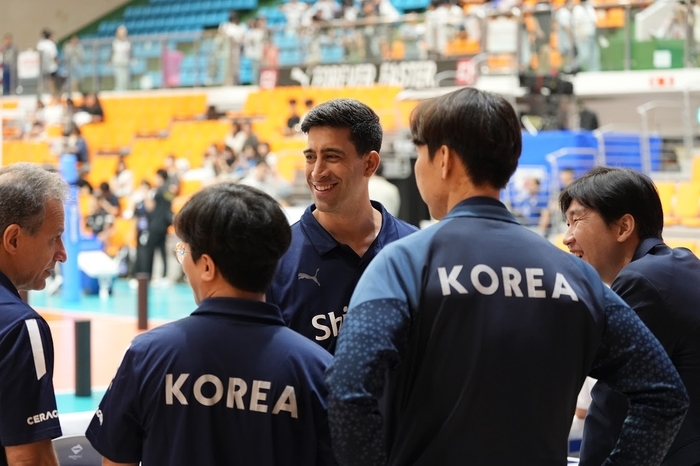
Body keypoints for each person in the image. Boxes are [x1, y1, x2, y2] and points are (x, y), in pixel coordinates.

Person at [325, 88, 689, 465]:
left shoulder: (402, 264)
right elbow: (664, 395)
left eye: (420, 153)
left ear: (444, 159)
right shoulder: (575, 278)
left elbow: (349, 388)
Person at [86, 183, 336, 465]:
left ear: (206, 266)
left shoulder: (147, 356)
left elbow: (117, 461)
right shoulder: (318, 369)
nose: (183, 263)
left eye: (185, 252)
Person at [560, 166, 700, 466]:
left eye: (576, 220)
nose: (566, 238)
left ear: (623, 227)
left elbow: (612, 403)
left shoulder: (643, 281)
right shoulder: (675, 266)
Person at [266, 99, 417, 354]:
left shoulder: (415, 249)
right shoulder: (276, 261)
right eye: (311, 157)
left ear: (369, 164)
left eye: (332, 157)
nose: (316, 172)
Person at [0, 163, 68, 466]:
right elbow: (31, 459)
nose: (62, 253)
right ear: (13, 239)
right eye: (54, 237)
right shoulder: (20, 326)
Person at [36, 29, 58, 96]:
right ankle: (51, 93)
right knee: (51, 80)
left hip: (42, 66)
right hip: (51, 66)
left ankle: (44, 93)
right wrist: (57, 62)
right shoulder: (51, 44)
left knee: (44, 81)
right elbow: (54, 55)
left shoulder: (40, 44)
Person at [111, 25, 131, 91]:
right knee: (119, 80)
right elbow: (112, 53)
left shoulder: (128, 42)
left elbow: (130, 53)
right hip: (117, 63)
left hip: (125, 63)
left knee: (125, 79)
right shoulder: (114, 42)